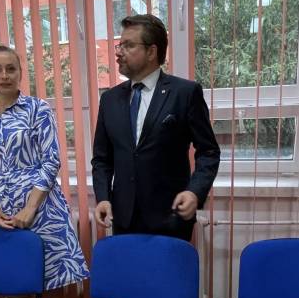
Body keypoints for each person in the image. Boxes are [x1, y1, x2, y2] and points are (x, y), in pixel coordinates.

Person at [0, 43, 88, 291]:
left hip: (41, 207)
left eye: (11, 69)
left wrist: (30, 208)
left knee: (49, 286)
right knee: (9, 284)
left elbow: (51, 160)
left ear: (20, 72)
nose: (4, 75)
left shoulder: (38, 109)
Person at [92, 14, 220, 241]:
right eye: (120, 45)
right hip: (124, 218)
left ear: (151, 51)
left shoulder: (184, 93)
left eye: (128, 45)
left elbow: (208, 152)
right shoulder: (110, 99)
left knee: (169, 266)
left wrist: (194, 192)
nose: (119, 52)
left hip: (171, 216)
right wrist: (103, 197)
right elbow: (102, 159)